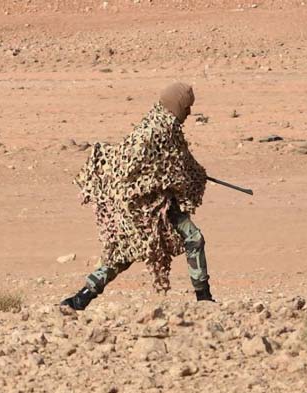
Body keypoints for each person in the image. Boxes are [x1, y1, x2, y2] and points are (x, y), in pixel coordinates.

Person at [61, 82, 213, 311]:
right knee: (191, 239)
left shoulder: (165, 127)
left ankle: (81, 298)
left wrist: (195, 174)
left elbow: (177, 161)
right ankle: (204, 298)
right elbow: (133, 163)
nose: (189, 112)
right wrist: (155, 183)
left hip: (154, 203)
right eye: (187, 106)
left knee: (125, 251)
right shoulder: (155, 130)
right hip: (145, 206)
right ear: (177, 104)